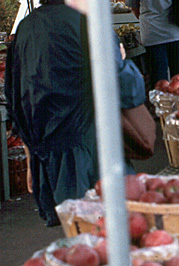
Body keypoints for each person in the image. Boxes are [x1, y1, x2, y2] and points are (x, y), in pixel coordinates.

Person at [4, 0, 146, 227]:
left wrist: (31, 157)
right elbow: (129, 93)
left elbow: (17, 103)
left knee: (79, 241)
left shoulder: (25, 29)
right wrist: (121, 59)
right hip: (94, 155)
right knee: (107, 238)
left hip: (49, 161)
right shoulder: (89, 22)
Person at [128, 0, 179, 87]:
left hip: (152, 33)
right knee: (177, 76)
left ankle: (160, 99)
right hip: (175, 31)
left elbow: (134, 8)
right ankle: (178, 99)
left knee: (158, 76)